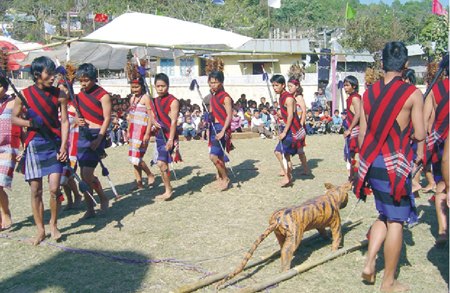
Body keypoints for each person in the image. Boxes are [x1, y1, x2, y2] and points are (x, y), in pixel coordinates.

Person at [356, 42, 425, 292]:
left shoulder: (369, 93)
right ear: (405, 65)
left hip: (371, 162)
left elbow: (363, 136)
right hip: (394, 165)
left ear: (382, 64)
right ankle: (388, 282)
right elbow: (419, 133)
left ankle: (370, 262)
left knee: (384, 214)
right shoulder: (412, 93)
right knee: (397, 220)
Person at [12, 56, 70, 245]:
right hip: (34, 144)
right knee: (36, 190)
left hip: (54, 144)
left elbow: (64, 121)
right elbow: (14, 118)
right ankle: (40, 230)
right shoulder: (24, 95)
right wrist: (29, 122)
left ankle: (54, 224)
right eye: (49, 72)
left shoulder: (60, 93)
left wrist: (63, 146)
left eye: (53, 72)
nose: (52, 76)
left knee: (55, 188)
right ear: (37, 75)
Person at [75, 63, 111, 218]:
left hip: (96, 135)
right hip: (82, 135)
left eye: (86, 80)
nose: (83, 83)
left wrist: (100, 138)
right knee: (84, 175)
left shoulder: (103, 95)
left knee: (87, 173)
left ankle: (102, 197)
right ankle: (90, 208)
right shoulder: (77, 96)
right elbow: (73, 114)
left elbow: (107, 118)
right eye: (81, 80)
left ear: (93, 79)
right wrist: (77, 120)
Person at [423, 57, 449, 245]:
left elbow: (425, 122)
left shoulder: (435, 90)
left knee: (441, 184)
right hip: (442, 142)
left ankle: (442, 230)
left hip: (440, 143)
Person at [151, 73, 181, 201]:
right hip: (159, 135)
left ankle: (168, 190)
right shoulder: (155, 101)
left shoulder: (173, 101)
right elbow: (151, 115)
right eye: (158, 86)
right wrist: (153, 121)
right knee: (161, 164)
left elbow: (173, 121)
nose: (160, 89)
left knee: (162, 163)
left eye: (163, 86)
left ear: (168, 86)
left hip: (169, 135)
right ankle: (167, 188)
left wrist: (171, 139)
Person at [271, 74, 303, 187]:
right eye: (273, 85)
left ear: (283, 85)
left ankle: (287, 176)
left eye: (276, 85)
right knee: (286, 154)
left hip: (292, 130)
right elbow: (285, 114)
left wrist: (284, 132)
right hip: (287, 128)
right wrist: (279, 115)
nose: (274, 88)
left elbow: (290, 116)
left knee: (278, 152)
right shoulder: (281, 97)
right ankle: (287, 173)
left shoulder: (288, 98)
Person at [57, 74, 82, 210]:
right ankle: (70, 199)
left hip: (73, 145)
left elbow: (81, 123)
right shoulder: (56, 108)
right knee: (61, 175)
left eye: (64, 90)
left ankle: (77, 195)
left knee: (67, 174)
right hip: (60, 146)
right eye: (59, 90)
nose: (62, 93)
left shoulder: (74, 106)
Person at [127, 72, 155, 191]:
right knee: (133, 158)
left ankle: (149, 174)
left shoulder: (146, 98)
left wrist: (148, 133)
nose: (135, 89)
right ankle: (139, 182)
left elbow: (150, 116)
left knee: (138, 157)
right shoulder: (132, 99)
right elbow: (130, 116)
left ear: (142, 87)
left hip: (142, 131)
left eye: (137, 87)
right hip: (133, 131)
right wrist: (128, 131)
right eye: (133, 87)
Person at [0, 76, 20, 231]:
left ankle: (6, 213)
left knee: (0, 184)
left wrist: (25, 147)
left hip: (8, 148)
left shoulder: (14, 103)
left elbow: (24, 125)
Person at [208, 70, 233, 191]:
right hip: (213, 128)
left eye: (215, 82)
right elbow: (212, 112)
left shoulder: (226, 97)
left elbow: (229, 115)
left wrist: (223, 131)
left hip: (222, 128)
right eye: (211, 82)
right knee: (219, 155)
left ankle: (225, 178)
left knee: (213, 156)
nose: (213, 85)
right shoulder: (212, 97)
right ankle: (222, 174)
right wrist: (208, 117)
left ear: (221, 83)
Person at [288, 77, 310, 175]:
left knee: (300, 149)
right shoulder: (290, 97)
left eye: (291, 86)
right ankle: (288, 167)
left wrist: (301, 124)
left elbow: (304, 111)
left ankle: (305, 169)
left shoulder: (299, 97)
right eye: (288, 86)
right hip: (292, 125)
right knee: (287, 147)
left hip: (299, 126)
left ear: (297, 86)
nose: (289, 88)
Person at [343, 75, 361, 182]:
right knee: (350, 155)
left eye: (347, 85)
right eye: (344, 85)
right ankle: (352, 177)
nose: (345, 87)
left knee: (352, 154)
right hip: (352, 128)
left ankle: (354, 177)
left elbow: (358, 114)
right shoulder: (350, 98)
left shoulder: (355, 98)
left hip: (356, 130)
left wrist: (350, 129)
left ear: (354, 86)